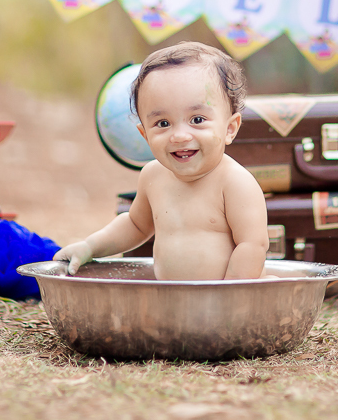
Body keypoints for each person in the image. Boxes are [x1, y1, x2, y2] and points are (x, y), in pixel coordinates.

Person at [55, 42, 269, 280]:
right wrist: (89, 246)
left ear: (230, 128)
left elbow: (253, 246)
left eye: (197, 119)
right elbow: (136, 225)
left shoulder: (234, 182)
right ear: (145, 134)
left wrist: (229, 300)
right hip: (173, 304)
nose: (179, 136)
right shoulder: (152, 176)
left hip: (226, 303)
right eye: (163, 123)